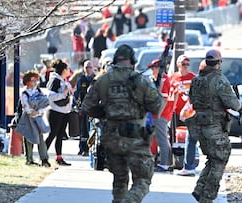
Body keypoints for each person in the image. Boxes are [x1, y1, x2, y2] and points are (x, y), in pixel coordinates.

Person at [81, 44, 163, 203]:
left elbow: (87, 106)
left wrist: (106, 112)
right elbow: (156, 107)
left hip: (111, 136)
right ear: (132, 60)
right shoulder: (141, 80)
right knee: (143, 179)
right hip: (135, 137)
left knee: (119, 179)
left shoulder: (103, 80)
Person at [187, 49, 242, 202]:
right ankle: (207, 196)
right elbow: (234, 104)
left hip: (199, 125)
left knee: (212, 158)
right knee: (220, 159)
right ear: (219, 63)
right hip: (214, 127)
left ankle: (200, 188)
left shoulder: (197, 80)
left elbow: (192, 100)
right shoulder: (219, 80)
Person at [169, 55, 197, 176]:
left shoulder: (193, 77)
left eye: (187, 64)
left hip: (189, 112)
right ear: (178, 65)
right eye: (183, 64)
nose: (186, 66)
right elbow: (169, 93)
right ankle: (174, 161)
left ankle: (190, 163)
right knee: (173, 137)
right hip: (176, 111)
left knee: (190, 138)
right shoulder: (173, 77)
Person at [18, 70, 51, 167]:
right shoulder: (24, 93)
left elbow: (45, 103)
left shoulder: (39, 91)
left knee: (40, 138)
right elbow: (25, 106)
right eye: (33, 80)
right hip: (28, 119)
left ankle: (44, 159)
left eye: (36, 80)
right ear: (27, 82)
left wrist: (39, 112)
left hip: (38, 118)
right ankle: (29, 159)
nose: (35, 82)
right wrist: (32, 112)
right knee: (29, 138)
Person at [45, 59, 73, 166]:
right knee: (52, 134)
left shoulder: (63, 80)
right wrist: (63, 94)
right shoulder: (55, 80)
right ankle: (43, 156)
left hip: (64, 112)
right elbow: (50, 96)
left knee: (60, 135)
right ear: (64, 70)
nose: (69, 70)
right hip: (55, 112)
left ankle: (59, 157)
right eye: (67, 68)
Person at [148, 59, 174, 172]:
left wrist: (158, 114)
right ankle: (165, 162)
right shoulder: (157, 80)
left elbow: (164, 99)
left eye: (154, 68)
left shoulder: (163, 80)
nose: (152, 70)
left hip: (161, 115)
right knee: (157, 139)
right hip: (156, 115)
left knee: (162, 139)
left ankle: (164, 164)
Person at [74, 60, 95, 156]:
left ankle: (90, 148)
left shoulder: (95, 79)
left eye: (90, 67)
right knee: (83, 130)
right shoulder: (81, 79)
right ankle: (82, 148)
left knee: (91, 129)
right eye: (86, 67)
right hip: (83, 107)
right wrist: (75, 103)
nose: (88, 69)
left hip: (94, 108)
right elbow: (77, 92)